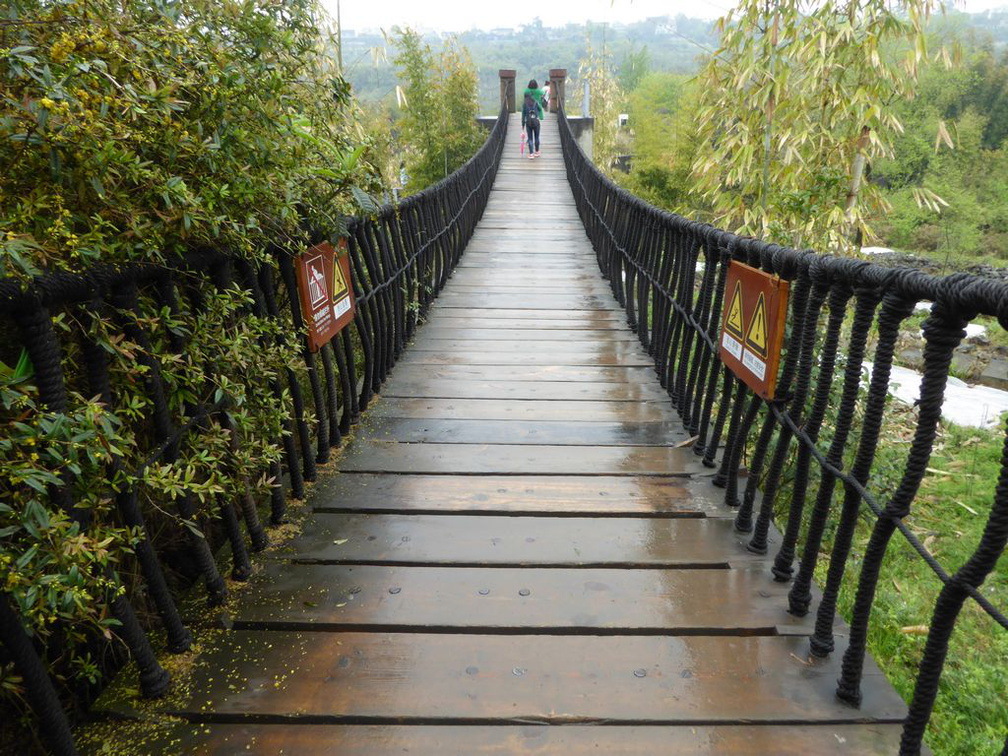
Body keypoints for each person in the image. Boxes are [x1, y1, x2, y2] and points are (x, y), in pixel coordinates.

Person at [521, 78, 548, 158]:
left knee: (530, 138)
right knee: (537, 137)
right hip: (536, 118)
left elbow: (523, 115)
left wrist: (523, 126)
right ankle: (537, 152)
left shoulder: (526, 95)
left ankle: (531, 154)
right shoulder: (539, 93)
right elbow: (540, 107)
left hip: (528, 120)